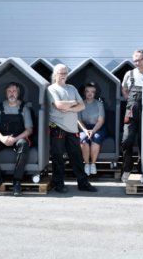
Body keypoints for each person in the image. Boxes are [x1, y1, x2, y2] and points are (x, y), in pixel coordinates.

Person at [48, 64, 97, 193]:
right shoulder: (51, 89)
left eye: (65, 73)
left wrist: (68, 107)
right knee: (58, 157)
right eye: (60, 73)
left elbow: (82, 106)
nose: (63, 75)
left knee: (77, 157)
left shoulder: (72, 88)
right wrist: (74, 103)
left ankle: (83, 183)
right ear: (55, 74)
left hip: (72, 129)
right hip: (57, 127)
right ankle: (58, 184)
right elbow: (59, 105)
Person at [0, 82, 33, 197]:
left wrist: (15, 139)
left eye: (14, 91)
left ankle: (17, 181)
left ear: (18, 93)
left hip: (18, 138)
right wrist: (2, 138)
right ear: (6, 93)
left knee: (23, 144)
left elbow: (29, 130)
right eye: (9, 91)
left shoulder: (24, 108)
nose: (12, 93)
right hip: (3, 138)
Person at [121, 49, 143, 183]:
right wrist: (130, 101)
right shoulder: (129, 74)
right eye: (134, 60)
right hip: (130, 111)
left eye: (139, 60)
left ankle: (142, 169)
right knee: (126, 140)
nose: (137, 63)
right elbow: (124, 89)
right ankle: (127, 168)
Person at [78, 82, 106, 176]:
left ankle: (93, 164)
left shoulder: (99, 104)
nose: (90, 94)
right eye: (87, 91)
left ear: (95, 93)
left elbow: (101, 120)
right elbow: (78, 120)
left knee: (96, 139)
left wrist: (93, 131)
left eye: (92, 92)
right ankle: (87, 164)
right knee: (84, 140)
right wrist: (85, 130)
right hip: (84, 128)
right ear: (84, 93)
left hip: (97, 127)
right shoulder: (80, 104)